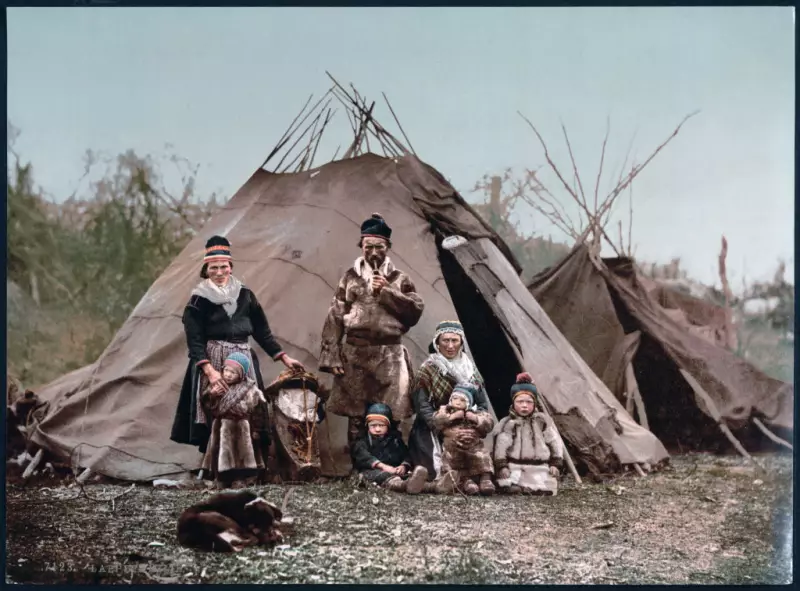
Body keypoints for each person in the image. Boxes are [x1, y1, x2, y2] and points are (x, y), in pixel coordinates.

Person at [170, 235, 304, 485]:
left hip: (243, 360)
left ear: (231, 266)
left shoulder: (246, 295)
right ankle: (217, 471)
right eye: (214, 268)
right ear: (206, 269)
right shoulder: (198, 301)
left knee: (249, 412)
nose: (219, 272)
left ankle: (249, 469)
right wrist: (209, 371)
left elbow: (262, 331)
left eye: (224, 266)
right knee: (217, 412)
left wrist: (283, 357)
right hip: (213, 360)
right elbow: (195, 340)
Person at [319, 213, 424, 448]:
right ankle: (360, 465)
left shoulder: (400, 278)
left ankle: (389, 459)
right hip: (355, 351)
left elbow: (414, 312)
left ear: (388, 247)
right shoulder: (350, 277)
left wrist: (387, 292)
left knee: (390, 411)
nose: (374, 252)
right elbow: (335, 315)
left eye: (379, 246)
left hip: (390, 353)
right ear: (361, 246)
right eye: (369, 246)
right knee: (356, 412)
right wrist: (332, 354)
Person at [407, 320, 491, 486]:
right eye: (445, 340)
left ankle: (468, 480)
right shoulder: (427, 369)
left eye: (455, 340)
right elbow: (422, 406)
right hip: (433, 426)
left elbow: (482, 406)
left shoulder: (471, 371)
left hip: (464, 424)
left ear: (461, 342)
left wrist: (472, 422)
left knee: (475, 458)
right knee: (433, 470)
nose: (450, 346)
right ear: (437, 342)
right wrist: (444, 422)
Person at [200, 353, 268, 488]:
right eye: (226, 370)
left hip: (241, 426)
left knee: (242, 453)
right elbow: (207, 406)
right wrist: (212, 395)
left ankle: (241, 478)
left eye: (233, 372)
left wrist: (257, 430)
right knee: (220, 452)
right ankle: (221, 478)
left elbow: (258, 410)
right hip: (221, 425)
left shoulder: (249, 389)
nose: (228, 375)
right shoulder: (217, 385)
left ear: (241, 375)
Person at [492, 373, 564, 496]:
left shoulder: (542, 422)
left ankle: (535, 487)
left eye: (529, 402)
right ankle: (516, 486)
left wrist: (555, 463)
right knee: (508, 482)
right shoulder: (508, 423)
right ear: (513, 403)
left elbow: (554, 442)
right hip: (515, 465)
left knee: (546, 485)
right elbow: (501, 446)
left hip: (539, 466)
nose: (524, 405)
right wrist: (502, 466)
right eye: (520, 402)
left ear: (535, 403)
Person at [350, 403, 430, 494]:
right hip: (372, 471)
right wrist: (384, 467)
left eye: (381, 425)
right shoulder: (362, 442)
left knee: (410, 476)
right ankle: (404, 485)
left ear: (388, 426)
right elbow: (365, 456)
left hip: (394, 470)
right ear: (367, 426)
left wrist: (403, 466)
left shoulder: (395, 440)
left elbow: (406, 454)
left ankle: (435, 486)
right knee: (381, 476)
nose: (377, 429)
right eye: (373, 426)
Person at [432, 384, 496, 495]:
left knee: (482, 456)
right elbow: (437, 422)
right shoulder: (445, 411)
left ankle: (486, 479)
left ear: (468, 403)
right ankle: (466, 482)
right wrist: (453, 417)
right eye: (454, 398)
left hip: (474, 447)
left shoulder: (475, 413)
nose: (457, 402)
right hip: (454, 448)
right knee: (453, 462)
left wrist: (475, 418)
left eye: (462, 400)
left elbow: (489, 424)